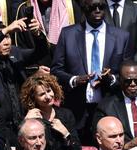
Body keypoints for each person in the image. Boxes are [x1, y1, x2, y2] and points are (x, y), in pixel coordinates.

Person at [50, 0, 132, 135]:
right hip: (76, 108)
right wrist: (74, 80)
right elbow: (56, 70)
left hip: (108, 108)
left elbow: (127, 73)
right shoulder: (68, 34)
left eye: (102, 6)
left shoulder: (121, 36)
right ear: (84, 9)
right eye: (93, 7)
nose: (98, 10)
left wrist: (110, 79)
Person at [18, 71, 82, 150]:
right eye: (42, 94)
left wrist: (66, 133)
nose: (48, 96)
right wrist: (26, 122)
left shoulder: (66, 114)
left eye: (49, 91)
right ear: (33, 98)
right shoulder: (29, 117)